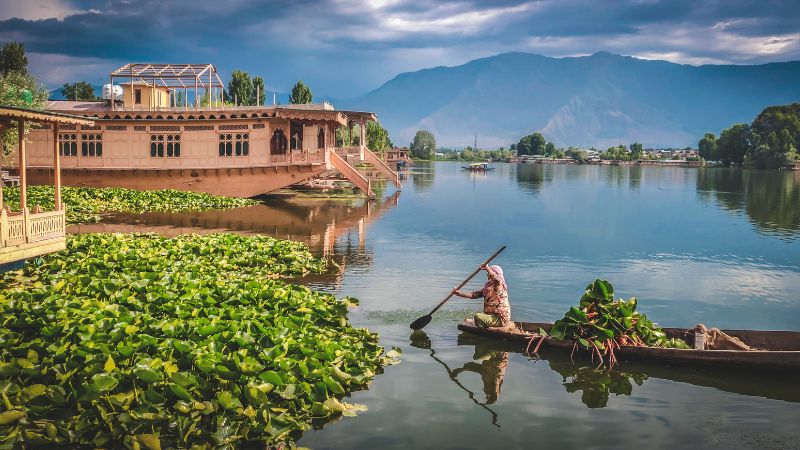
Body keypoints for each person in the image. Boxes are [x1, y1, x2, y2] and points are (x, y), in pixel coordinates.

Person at [453, 264, 511, 329]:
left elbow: (497, 279)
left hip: (500, 318)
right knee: (477, 317)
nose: (487, 275)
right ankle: (482, 324)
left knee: (477, 316)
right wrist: (459, 293)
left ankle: (482, 329)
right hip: (492, 316)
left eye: (489, 273)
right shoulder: (488, 287)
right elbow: (473, 295)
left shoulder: (500, 285)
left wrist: (488, 269)